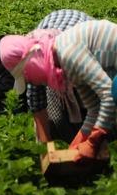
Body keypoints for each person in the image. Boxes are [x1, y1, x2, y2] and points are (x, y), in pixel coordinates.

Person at [0, 19, 117, 161]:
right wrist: (78, 142)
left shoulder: (67, 53)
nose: (30, 81)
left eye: (26, 77)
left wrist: (92, 141)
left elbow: (108, 95)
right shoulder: (64, 65)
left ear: (30, 64)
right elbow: (93, 108)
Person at [26, 9, 93, 143]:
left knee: (87, 106)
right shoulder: (33, 62)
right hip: (55, 47)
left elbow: (100, 104)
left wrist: (89, 141)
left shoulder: (81, 56)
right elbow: (36, 104)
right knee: (57, 115)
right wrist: (45, 148)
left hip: (85, 44)